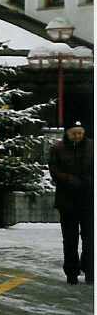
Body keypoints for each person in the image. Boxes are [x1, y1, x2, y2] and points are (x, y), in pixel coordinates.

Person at [49, 121, 94, 285]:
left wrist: (88, 181)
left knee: (90, 237)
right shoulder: (58, 148)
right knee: (70, 239)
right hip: (67, 200)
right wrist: (72, 181)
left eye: (80, 133)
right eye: (74, 133)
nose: (77, 136)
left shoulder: (92, 147)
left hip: (89, 200)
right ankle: (71, 272)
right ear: (67, 133)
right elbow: (54, 170)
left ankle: (90, 270)